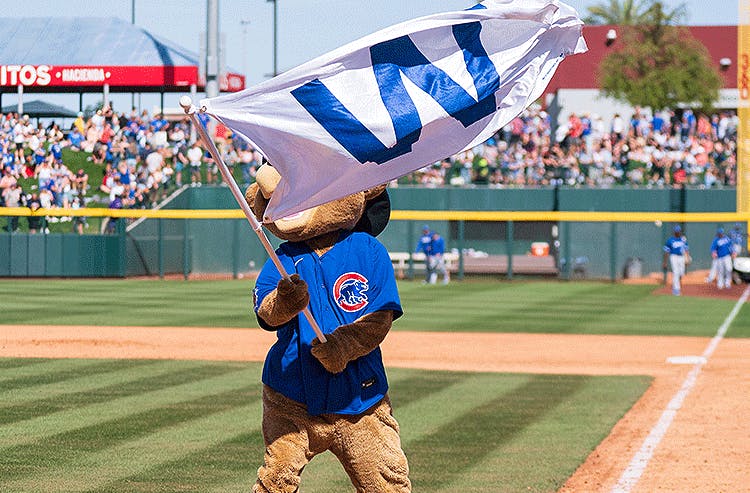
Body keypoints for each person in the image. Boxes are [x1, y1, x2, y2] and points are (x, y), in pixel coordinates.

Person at [663, 225, 689, 296]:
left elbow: (686, 250)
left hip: (681, 257)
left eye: (679, 231)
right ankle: (676, 289)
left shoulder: (683, 239)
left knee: (681, 273)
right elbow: (666, 251)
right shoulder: (670, 240)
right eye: (677, 231)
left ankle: (677, 284)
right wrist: (665, 262)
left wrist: (687, 258)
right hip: (673, 256)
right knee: (676, 272)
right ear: (674, 232)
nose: (678, 233)